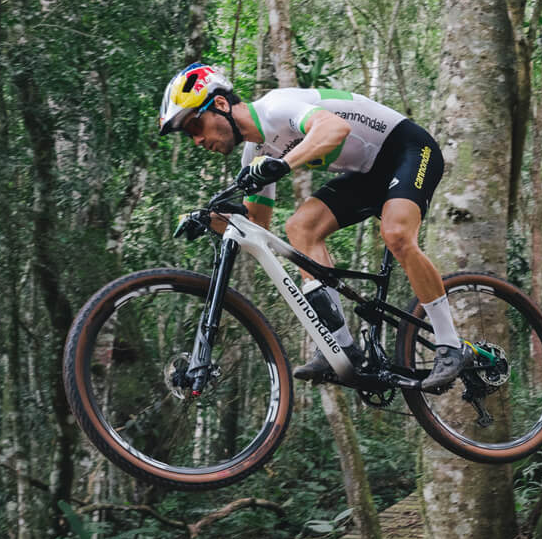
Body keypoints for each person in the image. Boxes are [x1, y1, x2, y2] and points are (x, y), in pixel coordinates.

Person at [156, 62, 472, 392]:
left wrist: (282, 165)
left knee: (396, 233)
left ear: (220, 104)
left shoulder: (277, 106)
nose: (196, 140)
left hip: (408, 150)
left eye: (195, 126)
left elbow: (333, 129)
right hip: (367, 172)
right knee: (300, 228)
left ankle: (451, 345)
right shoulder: (254, 153)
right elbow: (257, 225)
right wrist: (208, 220)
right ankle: (343, 347)